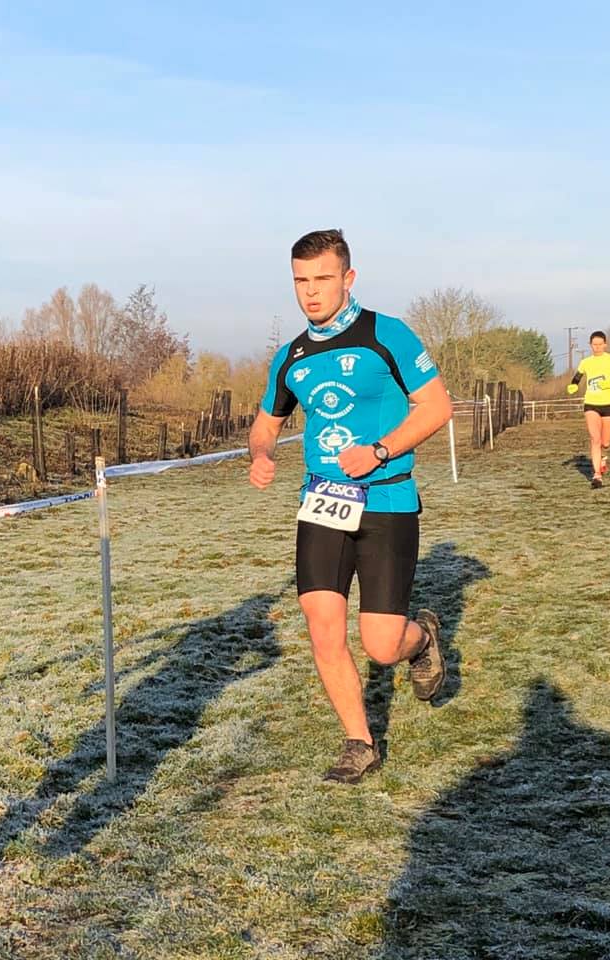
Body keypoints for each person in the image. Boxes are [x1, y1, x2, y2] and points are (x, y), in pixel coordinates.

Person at [248, 229, 453, 784]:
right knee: (323, 629)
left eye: (323, 278)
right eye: (301, 281)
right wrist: (262, 453)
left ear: (348, 278)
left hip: (386, 499)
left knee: (381, 645)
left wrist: (381, 450)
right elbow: (265, 424)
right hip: (321, 504)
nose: (311, 292)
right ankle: (359, 741)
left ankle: (421, 638)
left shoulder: (387, 334)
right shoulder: (291, 356)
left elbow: (437, 406)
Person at [566, 331, 610, 488]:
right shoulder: (586, 362)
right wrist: (573, 385)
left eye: (600, 344)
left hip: (609, 404)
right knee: (595, 439)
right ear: (590, 345)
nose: (597, 347)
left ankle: (602, 458)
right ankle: (597, 475)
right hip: (591, 404)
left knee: (605, 443)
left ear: (605, 345)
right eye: (594, 345)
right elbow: (577, 378)